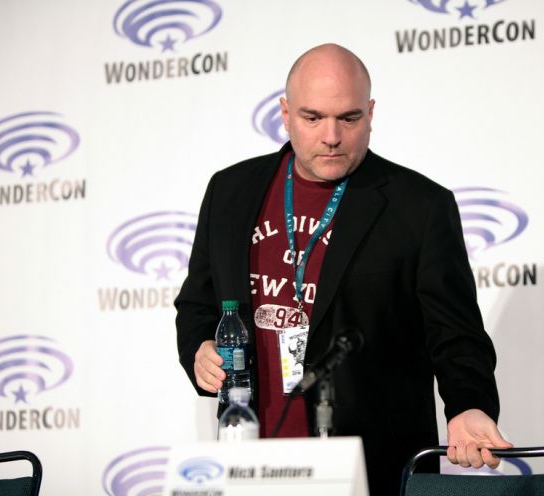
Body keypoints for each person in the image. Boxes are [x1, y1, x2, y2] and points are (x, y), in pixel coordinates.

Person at [175, 43, 511, 495]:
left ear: (370, 113)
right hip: (249, 465)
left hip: (374, 467)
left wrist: (469, 404)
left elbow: (456, 334)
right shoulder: (230, 191)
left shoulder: (419, 207)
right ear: (285, 113)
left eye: (349, 118)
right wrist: (200, 347)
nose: (331, 136)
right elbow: (197, 303)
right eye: (313, 118)